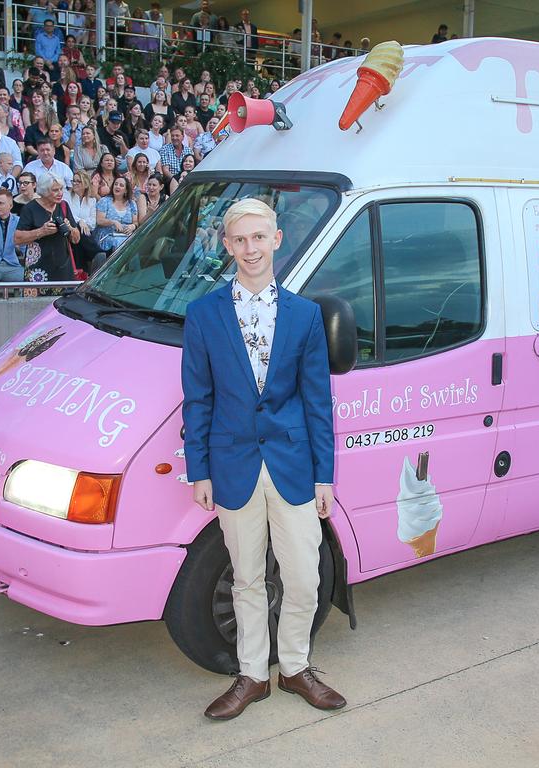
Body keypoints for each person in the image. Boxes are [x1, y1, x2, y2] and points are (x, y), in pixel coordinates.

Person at [181, 198, 344, 721]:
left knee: (303, 578)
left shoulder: (305, 316)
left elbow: (317, 400)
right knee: (247, 578)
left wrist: (325, 474)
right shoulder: (203, 315)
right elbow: (198, 398)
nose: (250, 248)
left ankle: (295, 666)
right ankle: (253, 675)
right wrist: (199, 469)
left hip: (294, 466)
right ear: (227, 246)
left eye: (259, 237)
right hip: (232, 466)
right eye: (240, 240)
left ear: (276, 240)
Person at [14, 170, 80, 293]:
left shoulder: (63, 206)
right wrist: (41, 231)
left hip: (62, 267)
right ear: (44, 191)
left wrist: (70, 227)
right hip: (38, 269)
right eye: (55, 190)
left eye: (61, 189)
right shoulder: (30, 208)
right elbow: (17, 239)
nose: (60, 193)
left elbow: (76, 239)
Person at [92, 175, 136, 252]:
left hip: (126, 235)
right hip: (107, 234)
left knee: (134, 243)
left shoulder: (132, 203)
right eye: (116, 184)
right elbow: (99, 220)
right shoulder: (105, 201)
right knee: (119, 242)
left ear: (126, 190)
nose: (117, 186)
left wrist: (132, 226)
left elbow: (136, 222)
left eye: (121, 185)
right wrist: (113, 222)